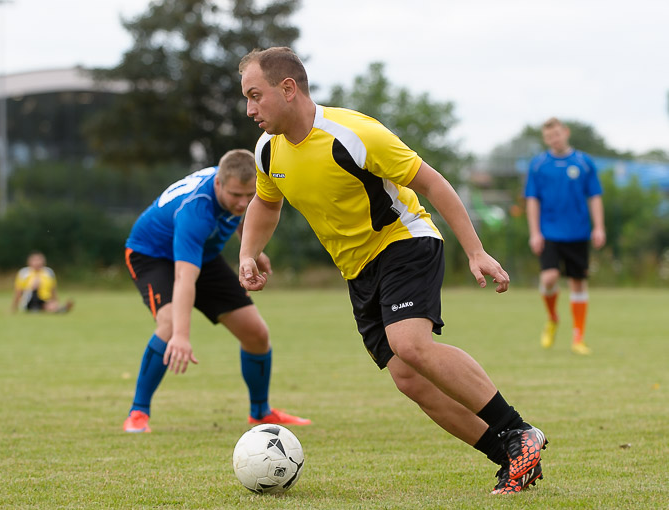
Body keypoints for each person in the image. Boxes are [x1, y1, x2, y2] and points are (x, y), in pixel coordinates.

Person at [238, 47, 547, 495]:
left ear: (288, 89)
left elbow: (431, 182)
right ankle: (511, 456)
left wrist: (475, 250)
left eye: (255, 96)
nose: (249, 109)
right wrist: (248, 253)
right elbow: (266, 204)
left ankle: (518, 430)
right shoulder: (268, 151)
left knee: (410, 343)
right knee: (408, 378)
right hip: (357, 270)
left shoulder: (354, 134)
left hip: (404, 241)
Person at [121, 148, 310, 433]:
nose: (243, 202)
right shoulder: (196, 211)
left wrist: (252, 250)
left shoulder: (236, 188)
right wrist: (182, 336)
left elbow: (241, 216)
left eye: (249, 195)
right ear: (218, 183)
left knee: (256, 333)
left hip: (204, 255)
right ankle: (138, 413)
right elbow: (185, 277)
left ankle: (261, 412)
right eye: (235, 195)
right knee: (170, 325)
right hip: (153, 255)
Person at [526, 117, 605, 355]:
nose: (554, 139)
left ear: (566, 133)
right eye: (549, 137)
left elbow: (594, 196)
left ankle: (578, 338)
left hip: (578, 232)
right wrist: (534, 232)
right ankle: (552, 318)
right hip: (549, 232)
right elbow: (532, 200)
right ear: (545, 139)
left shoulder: (584, 162)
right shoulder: (538, 165)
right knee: (549, 278)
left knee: (577, 283)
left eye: (557, 134)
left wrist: (599, 227)